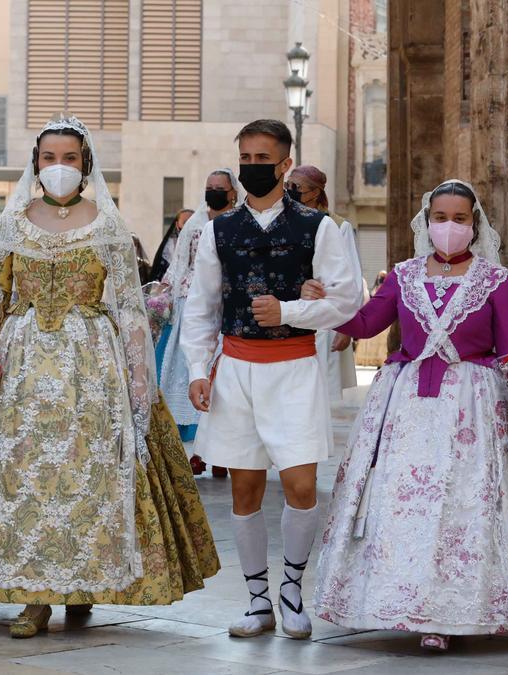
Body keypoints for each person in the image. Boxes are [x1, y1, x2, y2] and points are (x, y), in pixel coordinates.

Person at [0, 116, 219, 638]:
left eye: (70, 158)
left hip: (90, 362)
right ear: (36, 164)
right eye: (50, 158)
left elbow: (131, 309)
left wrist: (141, 381)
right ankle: (33, 593)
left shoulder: (106, 224)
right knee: (22, 471)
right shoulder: (14, 224)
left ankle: (81, 585)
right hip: (22, 362)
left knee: (85, 470)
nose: (59, 167)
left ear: (85, 165)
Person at [309, 179, 508, 651]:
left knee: (462, 503)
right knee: (403, 504)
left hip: (472, 410)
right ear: (427, 221)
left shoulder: (495, 282)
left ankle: (451, 611)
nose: (449, 227)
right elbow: (364, 324)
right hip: (406, 409)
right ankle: (398, 603)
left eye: (460, 219)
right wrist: (324, 303)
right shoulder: (403, 275)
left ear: (474, 225)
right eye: (441, 217)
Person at [181, 120, 363, 640]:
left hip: (295, 368)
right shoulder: (220, 230)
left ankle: (292, 590)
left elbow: (348, 301)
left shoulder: (318, 227)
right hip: (236, 368)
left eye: (263, 157)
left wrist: (290, 309)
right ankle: (258, 600)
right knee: (244, 489)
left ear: (285, 164)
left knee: (301, 486)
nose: (251, 166)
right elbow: (201, 306)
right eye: (245, 156)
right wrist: (198, 369)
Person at [156, 169, 245, 470]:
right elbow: (178, 264)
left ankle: (219, 453)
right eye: (209, 187)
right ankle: (197, 452)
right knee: (191, 376)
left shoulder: (239, 224)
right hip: (190, 306)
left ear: (233, 192)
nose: (214, 192)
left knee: (223, 380)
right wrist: (163, 295)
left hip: (227, 307)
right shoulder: (194, 224)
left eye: (220, 187)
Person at [287, 165, 366, 401]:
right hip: (287, 314)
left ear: (314, 192)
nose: (290, 191)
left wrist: (347, 326)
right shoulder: (283, 220)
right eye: (287, 186)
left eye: (296, 187)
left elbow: (351, 279)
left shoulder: (337, 225)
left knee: (318, 394)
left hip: (323, 320)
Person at [149, 208, 194, 282]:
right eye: (185, 222)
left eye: (192, 222)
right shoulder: (169, 247)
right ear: (177, 224)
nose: (188, 226)